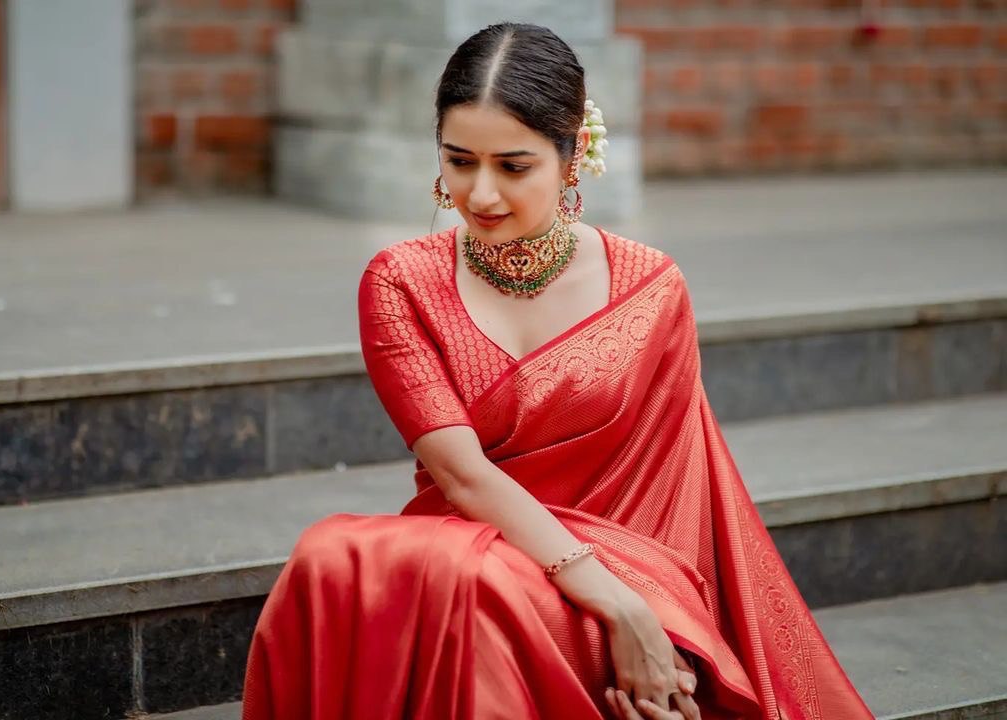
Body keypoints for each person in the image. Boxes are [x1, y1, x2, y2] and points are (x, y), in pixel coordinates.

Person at [241, 22, 874, 720]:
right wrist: (605, 597)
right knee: (340, 559)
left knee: (480, 599)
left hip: (633, 569)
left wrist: (651, 617)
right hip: (485, 545)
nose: (480, 194)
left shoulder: (650, 289)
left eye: (513, 167)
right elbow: (459, 475)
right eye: (459, 160)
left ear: (571, 157)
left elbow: (681, 493)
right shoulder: (401, 282)